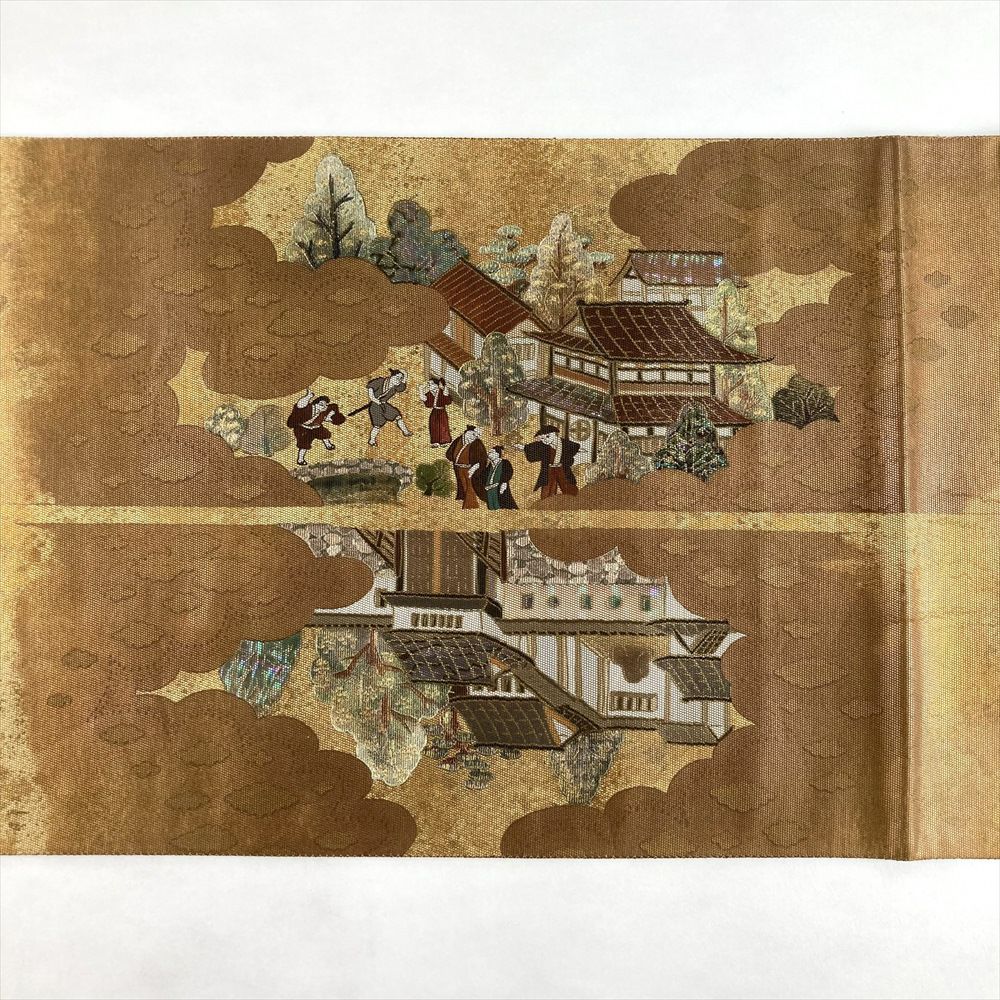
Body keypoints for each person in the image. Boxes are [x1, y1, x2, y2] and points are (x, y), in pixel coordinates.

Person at [517, 424, 580, 498]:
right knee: (547, 488)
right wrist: (523, 447)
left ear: (554, 434)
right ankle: (546, 501)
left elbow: (574, 448)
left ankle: (574, 499)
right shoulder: (544, 446)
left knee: (568, 485)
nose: (545, 440)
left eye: (547, 436)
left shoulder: (565, 443)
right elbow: (532, 448)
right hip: (549, 469)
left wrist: (577, 452)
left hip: (562, 469)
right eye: (542, 438)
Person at [286, 388, 346, 466]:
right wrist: (308, 396)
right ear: (315, 403)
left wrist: (333, 417)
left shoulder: (324, 411)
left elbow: (329, 416)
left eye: (325, 405)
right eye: (321, 404)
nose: (324, 406)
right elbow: (300, 405)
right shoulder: (308, 409)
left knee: (325, 434)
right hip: (303, 429)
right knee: (304, 444)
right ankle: (300, 459)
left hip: (316, 427)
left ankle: (328, 445)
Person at [445, 425, 489, 509]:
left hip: (470, 469)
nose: (474, 437)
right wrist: (453, 459)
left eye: (476, 436)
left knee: (470, 486)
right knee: (463, 485)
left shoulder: (477, 443)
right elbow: (450, 452)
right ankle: (465, 501)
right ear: (467, 432)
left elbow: (483, 458)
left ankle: (471, 505)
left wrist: (475, 467)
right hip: (458, 468)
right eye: (473, 435)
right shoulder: (458, 440)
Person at [366, 368, 412, 447]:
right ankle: (372, 440)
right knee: (377, 425)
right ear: (392, 376)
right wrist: (374, 399)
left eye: (400, 378)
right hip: (375, 406)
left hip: (384, 404)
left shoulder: (395, 387)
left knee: (397, 416)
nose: (399, 380)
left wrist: (406, 375)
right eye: (397, 377)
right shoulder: (381, 381)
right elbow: (370, 388)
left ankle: (406, 432)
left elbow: (402, 387)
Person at [422, 377, 454, 447]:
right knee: (433, 426)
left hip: (442, 411)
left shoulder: (442, 392)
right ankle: (435, 441)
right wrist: (421, 391)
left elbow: (448, 401)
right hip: (434, 412)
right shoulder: (429, 394)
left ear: (437, 385)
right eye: (429, 384)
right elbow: (428, 404)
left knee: (443, 426)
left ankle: (444, 441)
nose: (429, 386)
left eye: (432, 384)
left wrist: (445, 392)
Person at [484, 445, 518, 510]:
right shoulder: (490, 465)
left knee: (502, 504)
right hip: (489, 488)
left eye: (491, 452)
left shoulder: (505, 462)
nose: (489, 454)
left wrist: (504, 482)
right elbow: (485, 475)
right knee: (491, 506)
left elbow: (509, 472)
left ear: (497, 454)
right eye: (489, 452)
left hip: (499, 487)